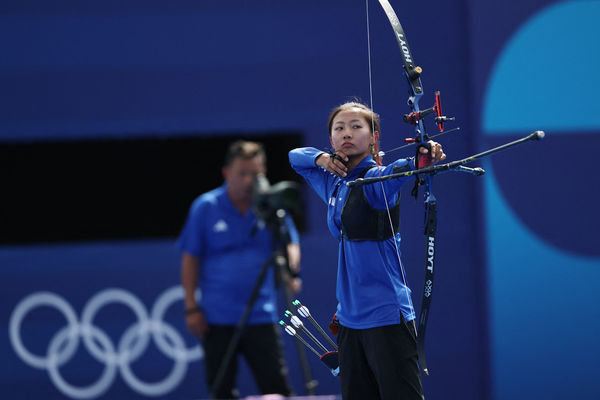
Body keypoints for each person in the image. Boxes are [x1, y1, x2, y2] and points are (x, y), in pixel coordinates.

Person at [288, 101, 446, 400]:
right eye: (339, 128)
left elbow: (402, 170)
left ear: (374, 137)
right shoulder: (333, 183)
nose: (346, 133)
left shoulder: (376, 180)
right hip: (349, 319)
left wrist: (423, 158)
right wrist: (322, 158)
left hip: (386, 315)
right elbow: (296, 157)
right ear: (331, 138)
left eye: (356, 127)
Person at [178, 140, 301, 399]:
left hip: (262, 317)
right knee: (220, 391)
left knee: (277, 390)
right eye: (242, 173)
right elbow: (190, 259)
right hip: (216, 319)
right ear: (227, 173)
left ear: (264, 172)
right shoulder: (206, 207)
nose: (249, 180)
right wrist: (191, 307)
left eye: (255, 174)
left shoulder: (271, 206)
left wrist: (291, 270)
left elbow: (290, 243)